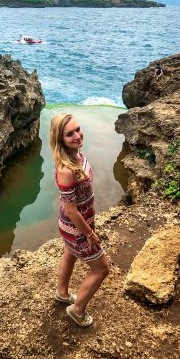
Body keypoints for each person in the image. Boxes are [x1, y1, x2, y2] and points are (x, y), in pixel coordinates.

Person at [50, 113, 109, 327]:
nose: (77, 135)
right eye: (70, 134)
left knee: (69, 254)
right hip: (76, 227)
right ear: (60, 140)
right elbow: (72, 210)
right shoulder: (66, 170)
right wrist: (90, 234)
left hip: (74, 224)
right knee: (102, 269)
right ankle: (77, 310)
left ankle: (62, 293)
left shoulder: (76, 153)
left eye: (78, 129)